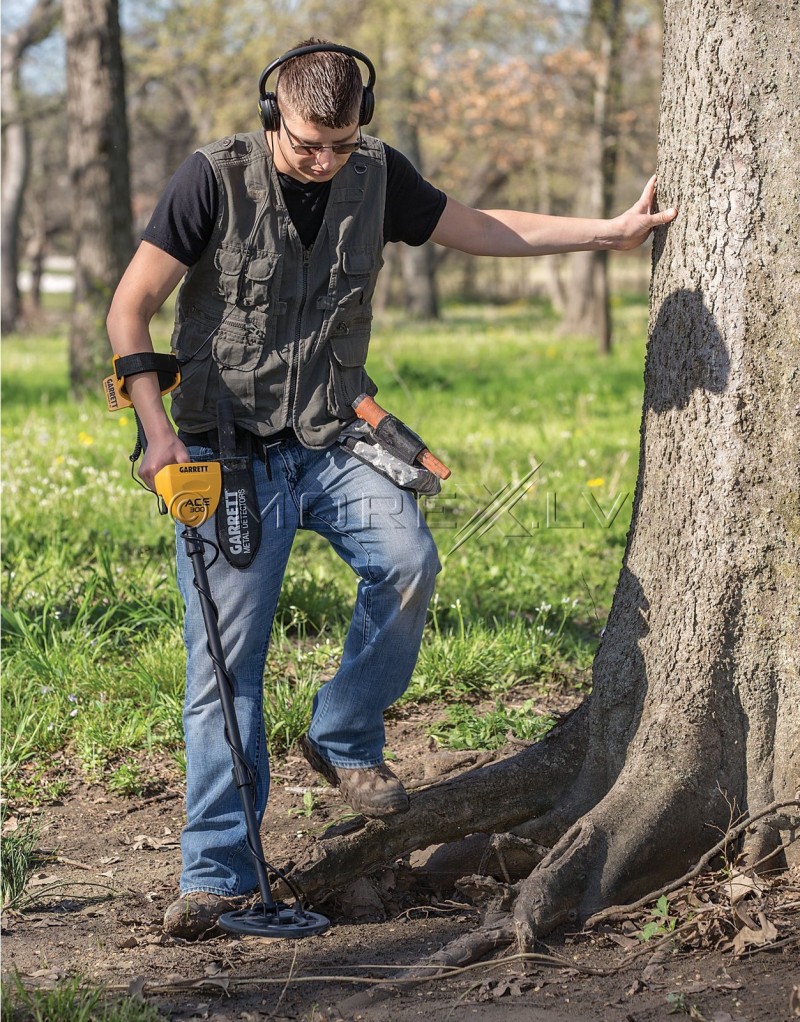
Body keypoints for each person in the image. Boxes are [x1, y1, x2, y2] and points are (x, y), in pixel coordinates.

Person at [106, 39, 677, 940]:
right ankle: (216, 876)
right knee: (226, 671)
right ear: (273, 117)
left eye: (341, 143)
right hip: (223, 455)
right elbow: (129, 304)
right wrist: (157, 431)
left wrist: (607, 232)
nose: (324, 161)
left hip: (330, 441)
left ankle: (341, 735)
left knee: (409, 558)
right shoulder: (209, 180)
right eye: (305, 145)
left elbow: (480, 225)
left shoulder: (376, 176)